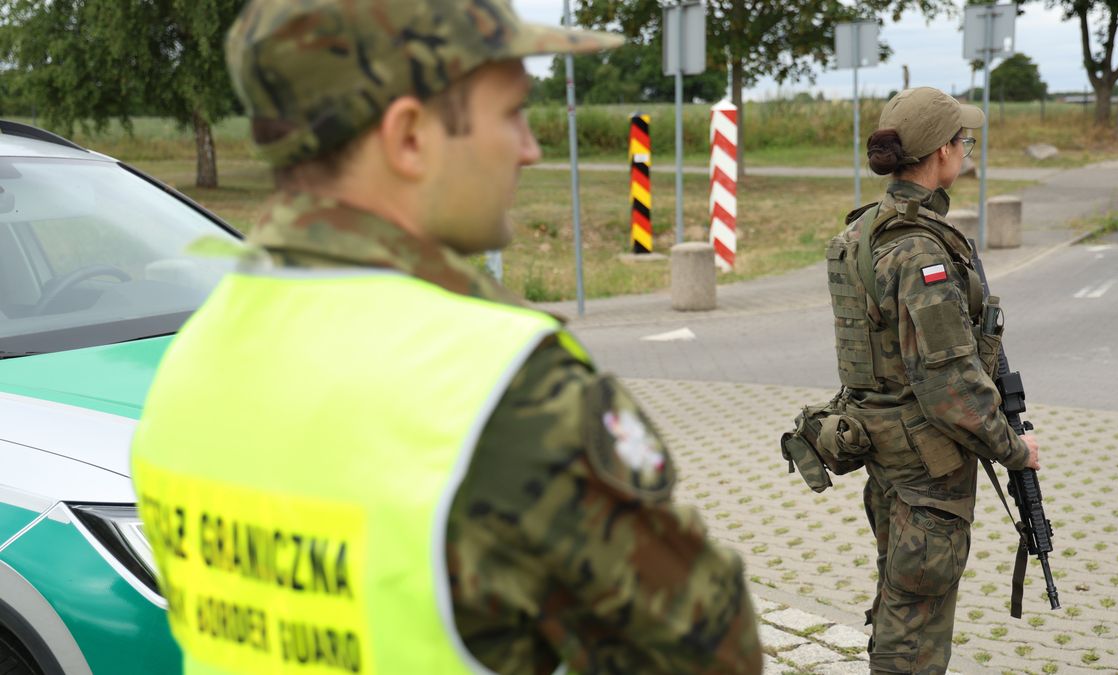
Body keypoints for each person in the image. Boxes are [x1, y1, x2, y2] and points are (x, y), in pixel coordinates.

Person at [130, 1, 763, 673]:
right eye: (511, 112)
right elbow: (712, 653)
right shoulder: (498, 385)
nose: (531, 148)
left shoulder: (193, 353)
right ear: (409, 137)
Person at [822, 87, 1040, 674]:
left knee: (900, 594)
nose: (968, 149)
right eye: (964, 140)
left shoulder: (866, 230)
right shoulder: (921, 251)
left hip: (886, 449)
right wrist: (1013, 448)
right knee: (915, 617)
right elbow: (949, 384)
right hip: (927, 463)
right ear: (941, 152)